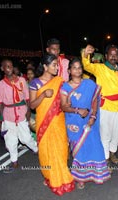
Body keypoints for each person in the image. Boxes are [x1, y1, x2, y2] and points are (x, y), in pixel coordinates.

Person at [60, 57, 111, 189]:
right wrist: (77, 110)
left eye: (79, 67)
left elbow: (95, 100)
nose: (77, 70)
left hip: (89, 121)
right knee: (79, 150)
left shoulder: (89, 84)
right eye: (74, 67)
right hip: (74, 122)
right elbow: (64, 106)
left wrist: (93, 116)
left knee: (94, 146)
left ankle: (96, 174)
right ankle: (80, 177)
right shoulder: (65, 87)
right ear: (69, 70)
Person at [29, 53, 75, 195]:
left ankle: (61, 174)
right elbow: (32, 105)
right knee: (46, 151)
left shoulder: (60, 82)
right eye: (54, 65)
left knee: (61, 150)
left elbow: (65, 102)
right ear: (45, 66)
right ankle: (50, 176)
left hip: (58, 121)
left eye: (57, 65)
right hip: (44, 122)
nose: (57, 68)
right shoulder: (35, 83)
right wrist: (43, 95)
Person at [82, 44, 118, 165]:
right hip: (105, 106)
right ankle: (106, 158)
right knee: (105, 134)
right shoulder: (100, 68)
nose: (113, 57)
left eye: (116, 55)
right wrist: (86, 54)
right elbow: (86, 65)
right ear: (106, 56)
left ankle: (112, 151)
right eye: (111, 54)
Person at [0, 59, 38, 173]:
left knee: (26, 138)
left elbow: (27, 98)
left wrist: (28, 111)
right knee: (10, 140)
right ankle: (14, 161)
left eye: (11, 66)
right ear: (2, 68)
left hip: (21, 113)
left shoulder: (22, 80)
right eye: (6, 66)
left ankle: (36, 148)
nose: (9, 68)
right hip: (8, 115)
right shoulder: (0, 85)